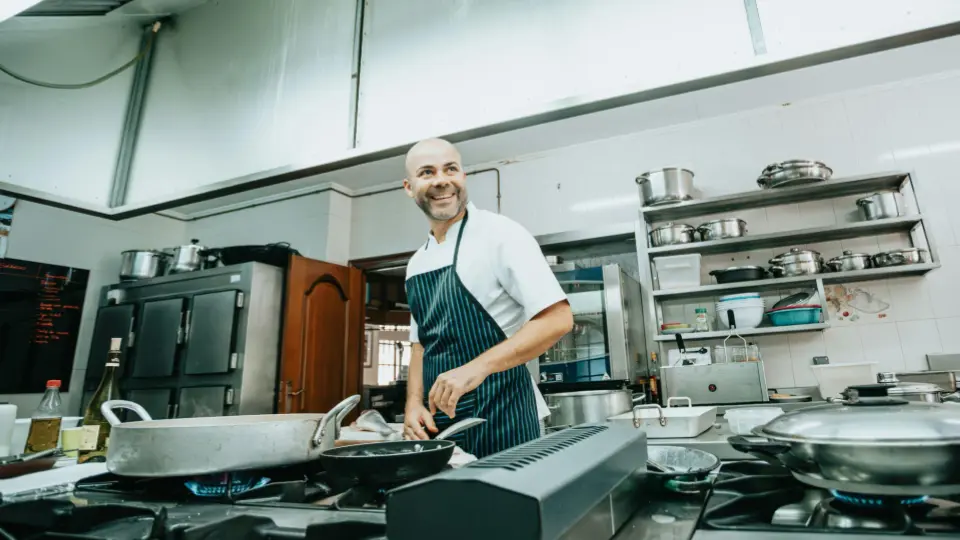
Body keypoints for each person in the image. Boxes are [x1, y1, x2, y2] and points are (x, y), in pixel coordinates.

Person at [401, 138, 573, 458]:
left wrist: (475, 368)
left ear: (463, 176)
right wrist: (413, 403)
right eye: (427, 172)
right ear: (410, 187)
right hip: (442, 424)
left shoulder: (501, 234)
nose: (441, 180)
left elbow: (558, 318)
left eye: (450, 169)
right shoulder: (416, 263)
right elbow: (420, 344)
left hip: (505, 414)